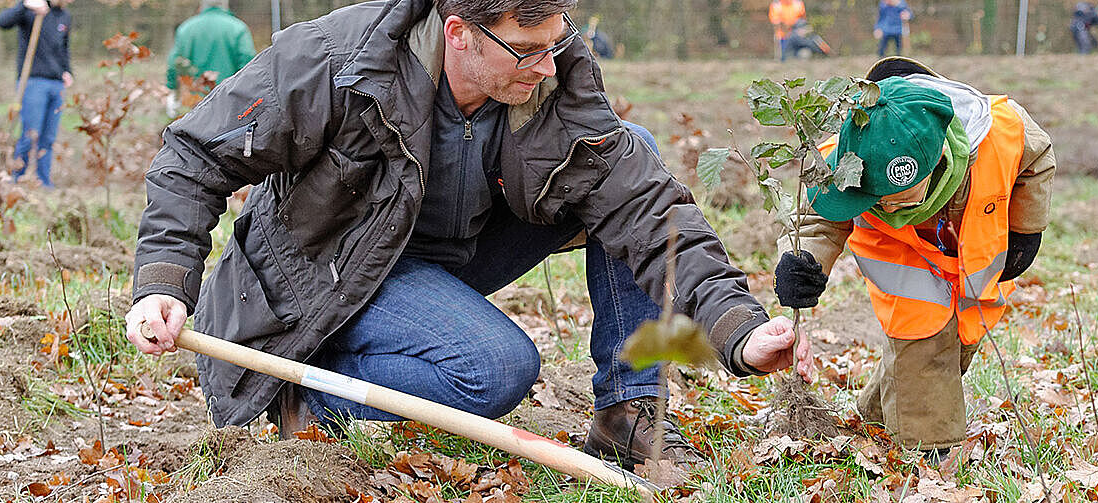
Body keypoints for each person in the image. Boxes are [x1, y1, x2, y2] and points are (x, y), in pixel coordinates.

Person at [122, 0, 799, 470]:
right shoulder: (336, 61)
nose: (548, 67)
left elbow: (649, 207)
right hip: (325, 269)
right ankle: (307, 394)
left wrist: (737, 328)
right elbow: (193, 153)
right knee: (495, 367)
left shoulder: (550, 80)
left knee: (634, 148)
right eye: (528, 50)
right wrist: (162, 278)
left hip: (448, 251)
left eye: (556, 44)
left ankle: (628, 415)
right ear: (459, 34)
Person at [773, 57, 1055, 458]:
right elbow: (817, 211)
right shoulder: (848, 148)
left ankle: (877, 417)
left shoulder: (1003, 133)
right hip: (897, 251)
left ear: (935, 163)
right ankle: (931, 454)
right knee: (922, 337)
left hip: (964, 250)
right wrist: (801, 259)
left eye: (894, 200)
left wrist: (1027, 230)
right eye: (875, 199)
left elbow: (1038, 158)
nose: (883, 208)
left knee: (957, 340)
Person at [0, 0, 74, 189]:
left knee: (48, 138)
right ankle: (16, 177)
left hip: (57, 84)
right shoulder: (32, 9)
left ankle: (44, 181)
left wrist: (67, 71)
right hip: (33, 81)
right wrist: (25, 5)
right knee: (31, 134)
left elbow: (63, 48)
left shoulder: (65, 16)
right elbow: (2, 22)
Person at [165, 0, 256, 112]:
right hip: (228, 102)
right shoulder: (238, 28)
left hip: (194, 103)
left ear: (202, 4)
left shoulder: (186, 28)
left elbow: (175, 62)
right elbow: (248, 63)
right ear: (225, 4)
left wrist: (172, 90)